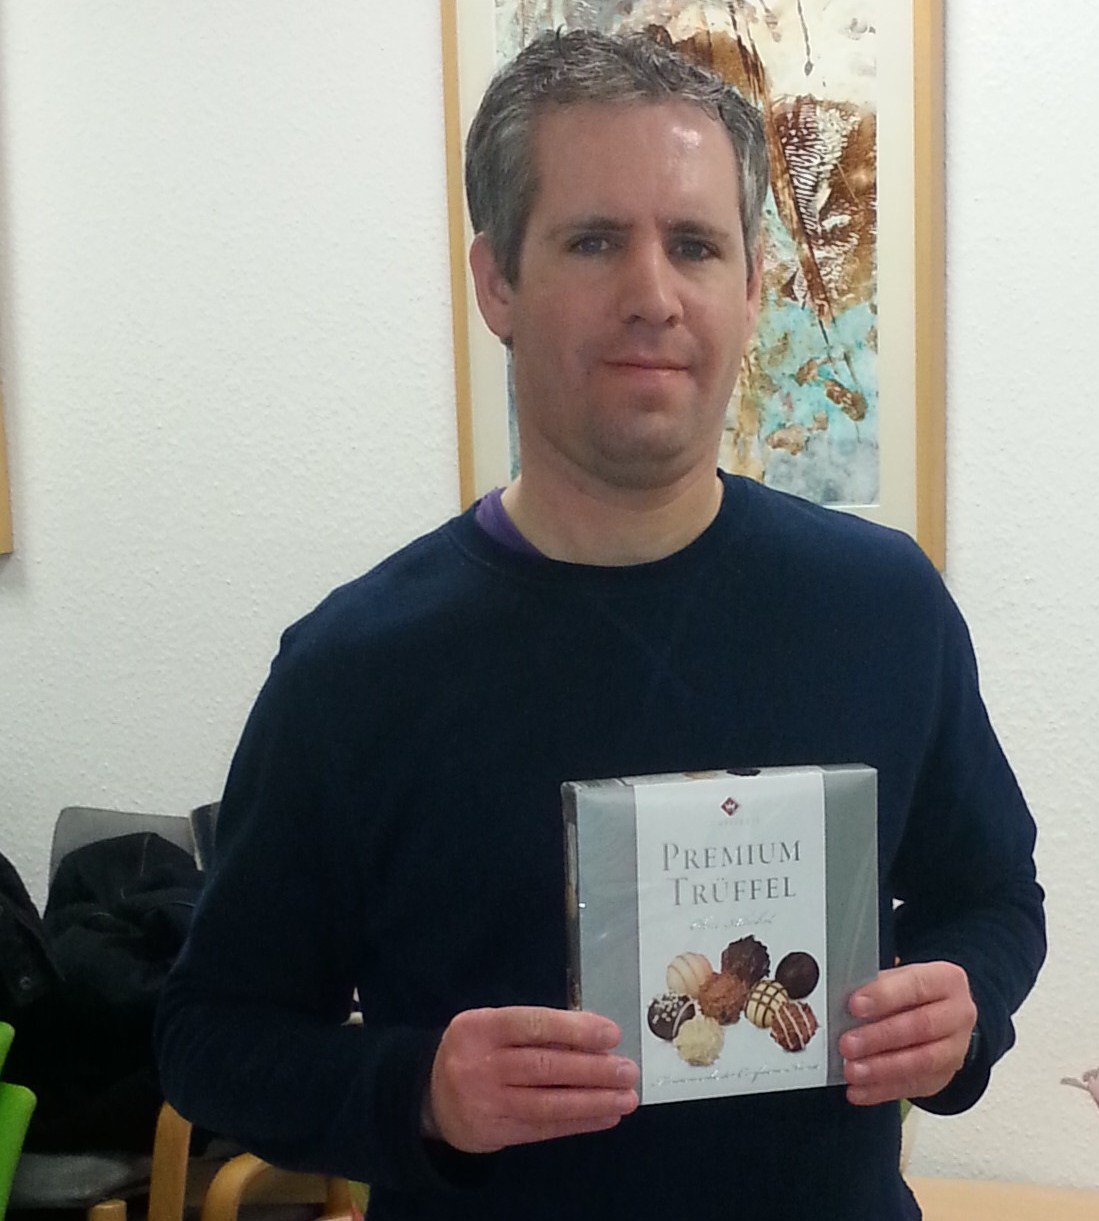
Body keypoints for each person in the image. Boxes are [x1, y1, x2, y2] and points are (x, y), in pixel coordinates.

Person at [156, 28, 1045, 1220]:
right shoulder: (353, 669)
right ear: (497, 283)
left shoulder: (883, 606)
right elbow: (209, 1037)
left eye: (693, 245)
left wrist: (962, 1006)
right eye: (592, 241)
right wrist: (420, 1091)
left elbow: (994, 899)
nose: (651, 296)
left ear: (752, 286)